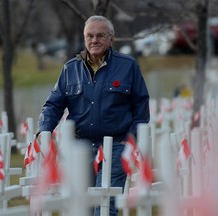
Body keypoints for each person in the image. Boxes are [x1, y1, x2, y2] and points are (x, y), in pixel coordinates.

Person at [37, 15, 150, 216]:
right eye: (89, 36)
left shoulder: (128, 66)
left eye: (100, 35)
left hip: (115, 146)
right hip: (79, 147)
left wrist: (130, 141)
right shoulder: (70, 68)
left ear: (111, 39)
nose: (94, 40)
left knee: (105, 206)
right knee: (81, 206)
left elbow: (141, 107)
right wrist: (44, 131)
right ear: (84, 38)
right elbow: (53, 105)